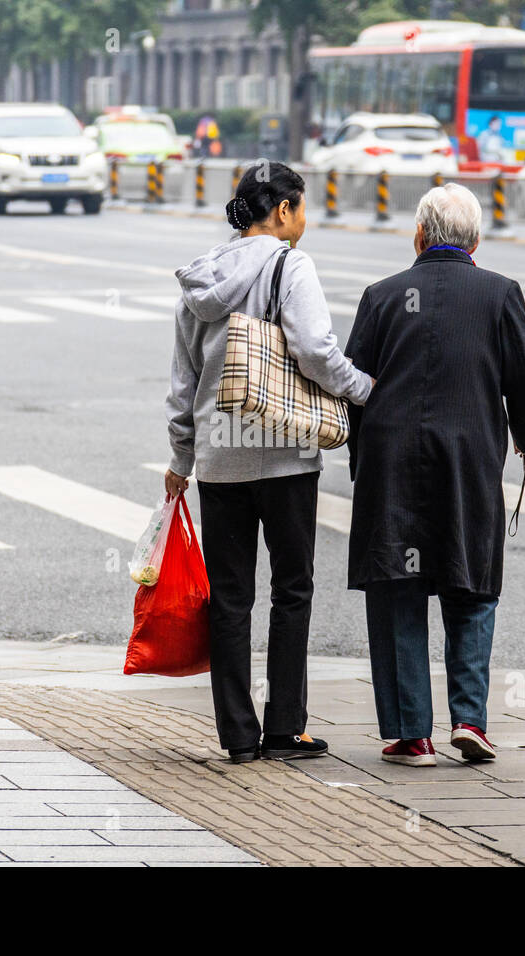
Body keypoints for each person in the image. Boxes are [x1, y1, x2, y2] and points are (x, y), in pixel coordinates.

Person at [164, 161, 373, 764]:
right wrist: (362, 389)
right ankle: (284, 728)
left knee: (230, 597)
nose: (303, 222)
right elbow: (313, 350)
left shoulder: (200, 279)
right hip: (284, 456)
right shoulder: (290, 265)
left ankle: (236, 733)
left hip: (219, 461)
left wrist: (182, 456)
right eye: (301, 209)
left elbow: (183, 383)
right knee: (292, 589)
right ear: (282, 209)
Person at [344, 183, 525, 768]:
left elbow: (354, 387)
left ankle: (412, 735)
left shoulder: (382, 296)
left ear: (418, 236)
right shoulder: (498, 294)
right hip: (468, 462)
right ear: (476, 241)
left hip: (393, 466)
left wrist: (362, 458)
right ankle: (470, 720)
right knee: (471, 583)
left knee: (398, 589)